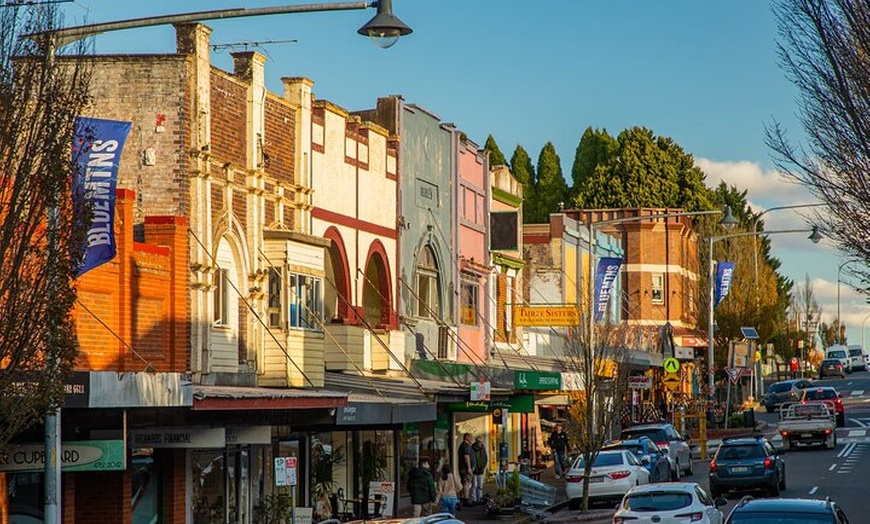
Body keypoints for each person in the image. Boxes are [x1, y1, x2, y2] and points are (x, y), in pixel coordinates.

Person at [457, 432, 476, 506]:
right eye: (471, 437)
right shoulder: (466, 446)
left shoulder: (464, 445)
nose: (472, 439)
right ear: (466, 437)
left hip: (463, 468)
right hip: (465, 469)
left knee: (465, 483)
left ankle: (462, 498)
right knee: (466, 483)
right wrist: (469, 468)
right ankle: (466, 499)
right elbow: (466, 457)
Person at [470, 436, 488, 504]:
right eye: (479, 442)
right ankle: (474, 499)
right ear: (476, 442)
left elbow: (485, 458)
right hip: (474, 469)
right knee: (474, 485)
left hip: (481, 469)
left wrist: (484, 465)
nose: (480, 443)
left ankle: (480, 498)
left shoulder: (483, 448)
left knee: (480, 485)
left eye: (481, 442)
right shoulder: (472, 448)